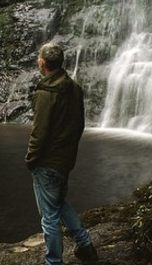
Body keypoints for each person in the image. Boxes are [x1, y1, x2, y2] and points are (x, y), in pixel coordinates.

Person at [25, 42, 98, 264]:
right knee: (58, 203)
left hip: (47, 161)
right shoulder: (74, 88)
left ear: (41, 62)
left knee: (49, 216)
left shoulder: (45, 93)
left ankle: (53, 261)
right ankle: (85, 244)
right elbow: (79, 125)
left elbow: (40, 132)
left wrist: (31, 158)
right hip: (65, 159)